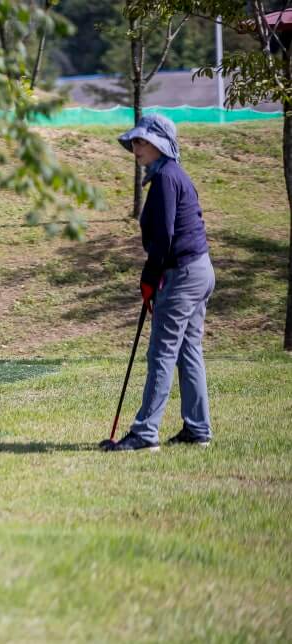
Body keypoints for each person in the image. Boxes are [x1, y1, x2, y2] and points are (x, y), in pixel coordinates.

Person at [105, 114, 216, 452]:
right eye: (135, 142)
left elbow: (165, 236)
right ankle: (198, 430)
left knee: (162, 352)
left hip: (182, 273)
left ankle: (144, 434)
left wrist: (150, 277)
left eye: (141, 141)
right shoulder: (171, 175)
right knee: (188, 349)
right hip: (199, 270)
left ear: (159, 144)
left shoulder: (167, 178)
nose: (136, 148)